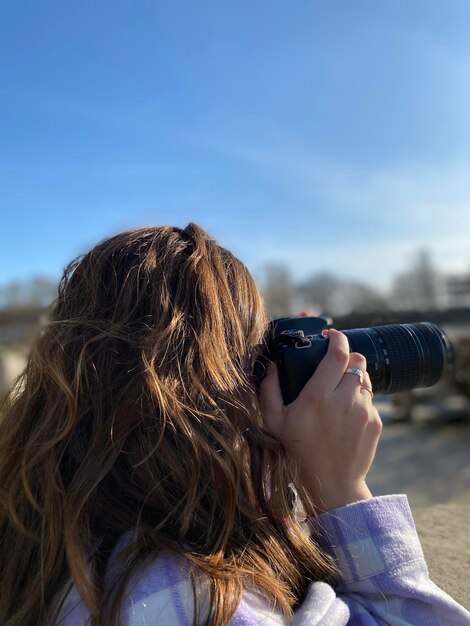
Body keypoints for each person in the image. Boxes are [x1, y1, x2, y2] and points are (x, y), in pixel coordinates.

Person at [0, 223, 468, 626]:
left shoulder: (59, 522)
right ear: (214, 381)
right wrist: (340, 487)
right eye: (252, 348)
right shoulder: (195, 600)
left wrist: (274, 465)